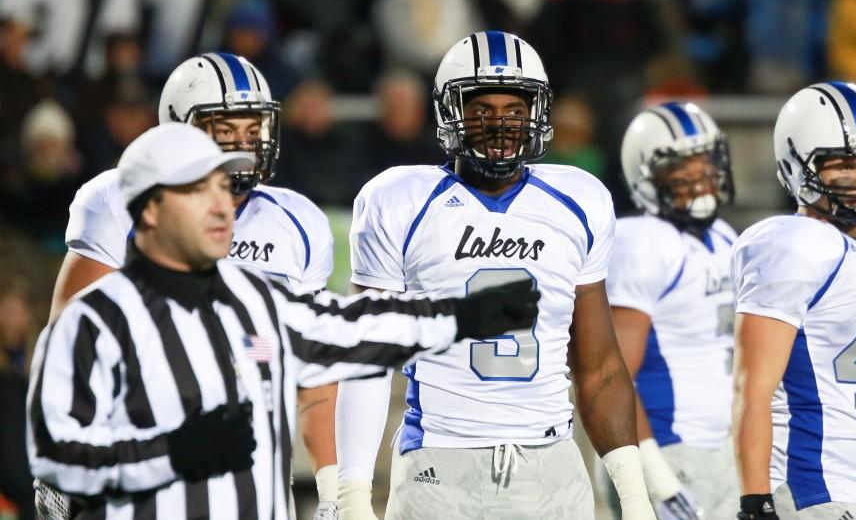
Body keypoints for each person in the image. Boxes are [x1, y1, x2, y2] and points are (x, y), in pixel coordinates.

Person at [27, 123, 540, 520]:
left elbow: (354, 329)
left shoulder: (256, 300)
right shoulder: (91, 323)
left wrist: (466, 314)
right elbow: (57, 464)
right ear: (150, 210)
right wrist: (170, 454)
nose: (222, 205)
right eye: (198, 191)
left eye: (223, 188)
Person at [337, 31, 657, 520]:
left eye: (515, 108)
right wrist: (354, 493)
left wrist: (634, 497)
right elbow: (368, 358)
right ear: (450, 111)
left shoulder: (580, 201)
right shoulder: (399, 199)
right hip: (439, 464)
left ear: (537, 112)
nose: (500, 123)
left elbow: (600, 368)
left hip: (552, 464)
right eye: (481, 108)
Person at [47, 53, 343, 519]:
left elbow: (315, 375)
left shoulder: (297, 223)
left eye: (253, 131)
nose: (243, 146)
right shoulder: (119, 200)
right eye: (225, 132)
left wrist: (332, 486)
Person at [730, 81, 856, 520]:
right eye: (845, 167)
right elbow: (751, 389)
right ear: (797, 167)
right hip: (810, 488)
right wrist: (755, 501)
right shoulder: (792, 245)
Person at [610, 101, 738, 520]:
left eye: (704, 165)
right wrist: (656, 476)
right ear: (645, 177)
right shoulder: (642, 242)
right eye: (680, 171)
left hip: (725, 446)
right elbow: (612, 378)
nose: (699, 180)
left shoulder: (723, 235)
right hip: (670, 447)